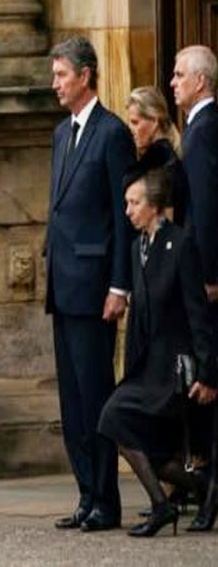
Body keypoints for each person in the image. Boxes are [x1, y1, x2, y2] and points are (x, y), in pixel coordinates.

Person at [98, 166, 218, 537]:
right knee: (135, 435)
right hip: (147, 367)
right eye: (126, 203)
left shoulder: (180, 245)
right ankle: (199, 488)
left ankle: (164, 505)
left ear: (154, 205)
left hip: (175, 368)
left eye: (135, 203)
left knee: (113, 417)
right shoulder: (138, 248)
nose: (128, 210)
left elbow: (198, 314)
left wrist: (208, 373)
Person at [46, 36, 134, 532]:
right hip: (63, 283)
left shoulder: (112, 133)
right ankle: (85, 493)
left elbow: (122, 218)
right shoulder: (62, 134)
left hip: (96, 284)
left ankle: (106, 498)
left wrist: (119, 285)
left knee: (96, 392)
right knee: (72, 399)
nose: (55, 83)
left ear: (85, 76)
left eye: (61, 75)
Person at [170, 44, 218, 531]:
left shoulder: (202, 133)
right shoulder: (199, 128)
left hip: (203, 279)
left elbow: (204, 208)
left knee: (207, 382)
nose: (173, 82)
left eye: (181, 75)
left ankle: (207, 491)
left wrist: (206, 276)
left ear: (201, 82)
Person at [125, 87, 187, 225]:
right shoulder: (159, 157)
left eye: (135, 122)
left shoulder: (161, 162)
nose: (131, 130)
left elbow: (167, 219)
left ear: (154, 122)